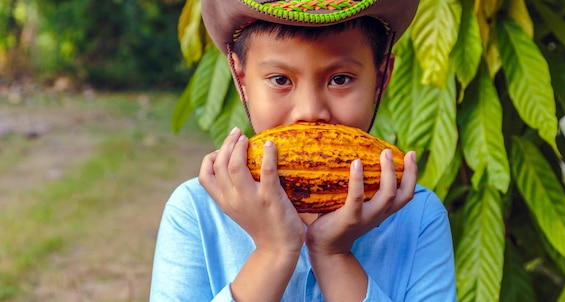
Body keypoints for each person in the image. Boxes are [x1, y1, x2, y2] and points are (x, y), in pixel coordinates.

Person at [150, 0, 456, 301]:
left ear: (380, 79)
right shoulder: (195, 211)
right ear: (241, 79)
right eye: (280, 80)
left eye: (340, 79)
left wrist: (332, 254)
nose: (310, 111)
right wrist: (273, 253)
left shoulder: (419, 217)